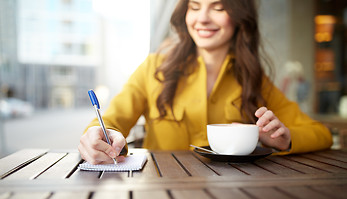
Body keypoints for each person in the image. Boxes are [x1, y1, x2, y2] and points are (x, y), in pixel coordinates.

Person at [78, 0, 332, 165]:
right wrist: (99, 135)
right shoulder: (154, 68)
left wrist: (283, 140)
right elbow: (110, 122)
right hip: (162, 197)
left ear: (239, 16)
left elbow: (321, 134)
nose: (202, 19)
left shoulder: (254, 79)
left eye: (218, 7)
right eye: (195, 6)